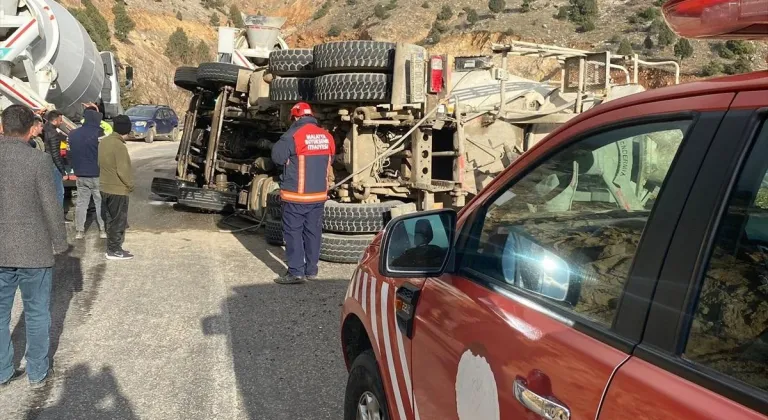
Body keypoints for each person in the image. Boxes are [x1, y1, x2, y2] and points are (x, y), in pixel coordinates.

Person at [0, 105, 68, 388]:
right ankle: (38, 372)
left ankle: (3, 372)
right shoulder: (38, 161)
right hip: (35, 251)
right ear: (30, 129)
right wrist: (60, 243)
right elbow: (51, 208)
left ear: (2, 127)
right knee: (38, 312)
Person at [270, 102, 335, 284]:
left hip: (296, 196)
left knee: (293, 233)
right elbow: (332, 158)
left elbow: (277, 157)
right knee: (313, 231)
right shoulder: (326, 136)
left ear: (296, 117)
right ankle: (311, 270)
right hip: (319, 195)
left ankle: (296, 272)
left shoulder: (292, 136)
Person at [98, 115, 134, 260]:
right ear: (127, 129)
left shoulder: (103, 142)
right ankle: (114, 250)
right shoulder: (119, 146)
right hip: (117, 189)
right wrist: (130, 185)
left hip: (104, 187)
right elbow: (123, 170)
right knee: (118, 220)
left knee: (109, 219)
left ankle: (111, 248)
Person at [68, 108, 107, 240]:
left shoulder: (73, 134)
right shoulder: (99, 133)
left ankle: (79, 231)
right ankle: (103, 229)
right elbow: (104, 153)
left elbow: (69, 154)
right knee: (99, 202)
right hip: (97, 174)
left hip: (80, 174)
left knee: (81, 203)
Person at [43, 110, 67, 207]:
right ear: (55, 120)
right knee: (59, 192)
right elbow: (55, 154)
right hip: (53, 165)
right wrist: (63, 171)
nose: (61, 122)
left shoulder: (45, 129)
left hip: (46, 163)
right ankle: (58, 217)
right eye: (60, 120)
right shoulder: (53, 133)